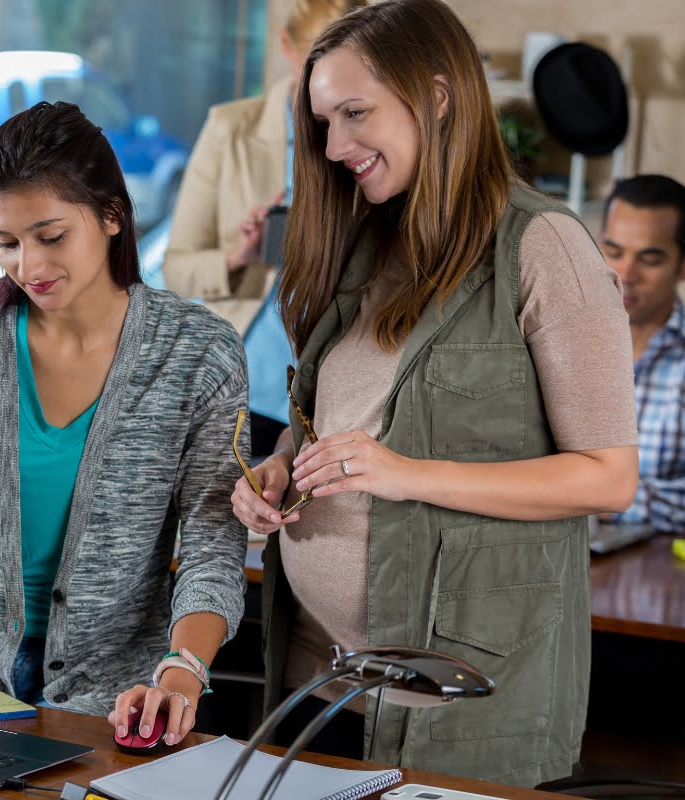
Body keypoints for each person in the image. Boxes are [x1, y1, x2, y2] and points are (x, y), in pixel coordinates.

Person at [230, 0, 637, 786]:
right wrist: (282, 466)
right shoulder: (364, 239)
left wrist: (403, 472)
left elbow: (607, 476)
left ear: (438, 98)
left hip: (452, 707)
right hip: (318, 681)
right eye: (322, 121)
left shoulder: (544, 246)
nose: (334, 145)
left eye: (356, 113)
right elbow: (336, 422)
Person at [0, 102, 248, 747]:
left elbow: (213, 541)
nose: (28, 267)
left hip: (118, 695)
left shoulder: (199, 353)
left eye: (51, 236)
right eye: (5, 242)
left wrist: (182, 671)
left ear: (111, 215)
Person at [163, 0, 365, 456]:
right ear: (287, 48)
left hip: (332, 386)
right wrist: (239, 257)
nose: (331, 81)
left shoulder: (368, 142)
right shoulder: (230, 130)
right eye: (318, 59)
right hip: (245, 381)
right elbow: (177, 269)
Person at [600, 175, 685, 531]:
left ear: (682, 266)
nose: (624, 274)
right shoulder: (551, 343)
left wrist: (603, 500)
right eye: (614, 252)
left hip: (656, 577)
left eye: (649, 259)